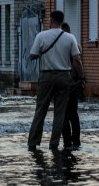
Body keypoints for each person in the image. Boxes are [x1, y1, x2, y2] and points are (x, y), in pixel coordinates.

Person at [27, 10, 85, 152]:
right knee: (60, 112)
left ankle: (33, 143)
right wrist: (82, 77)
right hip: (64, 77)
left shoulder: (42, 36)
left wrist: (42, 53)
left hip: (46, 77)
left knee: (41, 110)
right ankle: (54, 144)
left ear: (51, 20)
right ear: (61, 21)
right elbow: (77, 60)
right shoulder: (70, 37)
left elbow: (32, 55)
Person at [60, 23, 84, 150]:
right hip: (73, 84)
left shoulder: (60, 45)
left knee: (63, 114)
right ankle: (76, 141)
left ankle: (67, 142)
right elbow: (78, 63)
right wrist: (81, 78)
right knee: (74, 114)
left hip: (62, 84)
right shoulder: (77, 45)